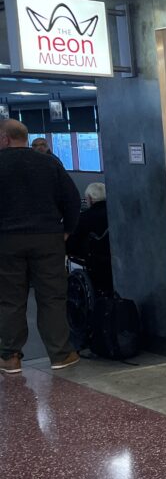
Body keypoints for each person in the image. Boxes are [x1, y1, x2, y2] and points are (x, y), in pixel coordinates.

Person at [0, 119, 81, 374]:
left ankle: (10, 356)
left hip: (6, 239)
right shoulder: (50, 164)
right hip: (48, 237)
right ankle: (61, 354)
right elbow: (72, 198)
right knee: (52, 297)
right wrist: (66, 230)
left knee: (10, 299)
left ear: (5, 139)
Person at [66, 182, 112, 293]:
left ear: (90, 199)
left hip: (92, 257)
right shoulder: (115, 214)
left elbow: (71, 244)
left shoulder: (83, 218)